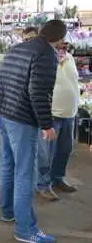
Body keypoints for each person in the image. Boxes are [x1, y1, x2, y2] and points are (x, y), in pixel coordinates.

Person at [0, 20, 67, 243]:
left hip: (3, 111)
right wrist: (47, 124)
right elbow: (38, 92)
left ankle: (8, 212)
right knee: (25, 173)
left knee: (8, 164)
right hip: (20, 118)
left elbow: (0, 80)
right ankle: (25, 230)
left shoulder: (19, 47)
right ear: (59, 39)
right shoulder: (46, 54)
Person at [36, 41, 79, 201]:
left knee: (65, 149)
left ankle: (58, 178)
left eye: (64, 48)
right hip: (52, 114)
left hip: (70, 113)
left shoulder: (70, 59)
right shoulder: (44, 61)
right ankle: (43, 185)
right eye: (58, 48)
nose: (61, 52)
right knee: (46, 153)